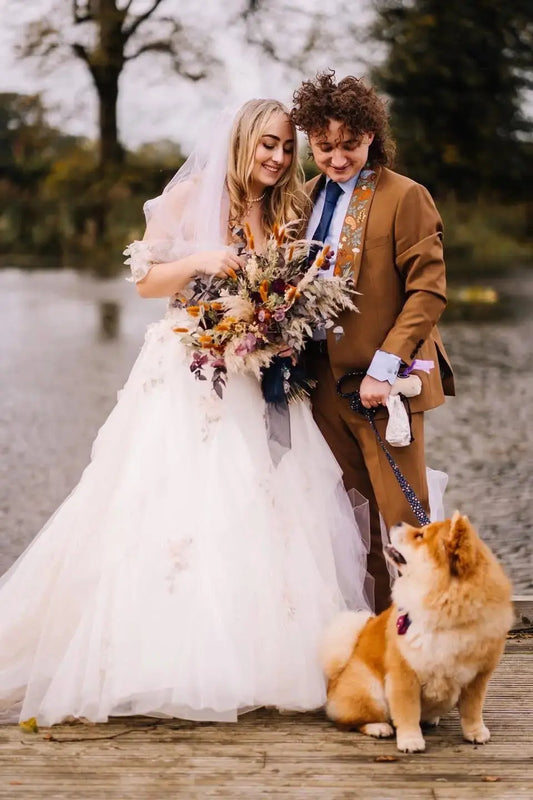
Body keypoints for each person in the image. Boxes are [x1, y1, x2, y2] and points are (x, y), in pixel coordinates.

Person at [0, 99, 369, 726]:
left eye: (286, 148)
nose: (279, 158)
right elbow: (145, 281)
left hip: (256, 377)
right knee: (178, 506)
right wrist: (200, 262)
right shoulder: (192, 196)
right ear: (242, 142)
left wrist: (274, 325)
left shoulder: (286, 208)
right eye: (268, 146)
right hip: (189, 373)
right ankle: (161, 659)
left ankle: (264, 657)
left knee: (263, 507)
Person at [291, 72, 454, 613]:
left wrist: (386, 369)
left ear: (371, 137)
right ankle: (372, 639)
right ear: (310, 143)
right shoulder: (306, 198)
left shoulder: (406, 196)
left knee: (404, 524)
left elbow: (428, 292)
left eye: (349, 145)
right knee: (350, 522)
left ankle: (425, 640)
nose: (337, 159)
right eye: (324, 147)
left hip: (387, 388)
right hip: (322, 389)